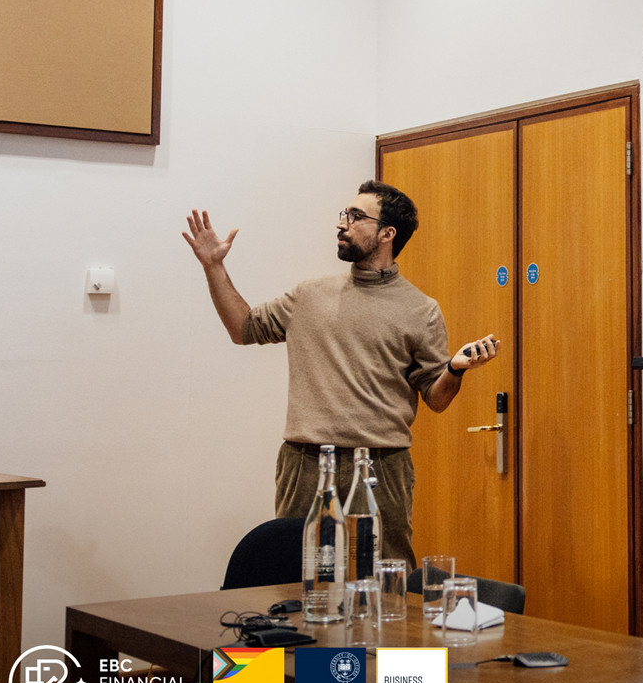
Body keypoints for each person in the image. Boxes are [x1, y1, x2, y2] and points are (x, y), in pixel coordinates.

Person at [183, 180, 499, 569]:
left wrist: (454, 369)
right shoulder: (308, 295)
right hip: (305, 462)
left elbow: (436, 397)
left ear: (387, 234)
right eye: (344, 214)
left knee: (385, 582)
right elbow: (243, 328)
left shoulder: (422, 310)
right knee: (299, 579)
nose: (342, 224)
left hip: (382, 466)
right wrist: (214, 266)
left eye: (356, 217)